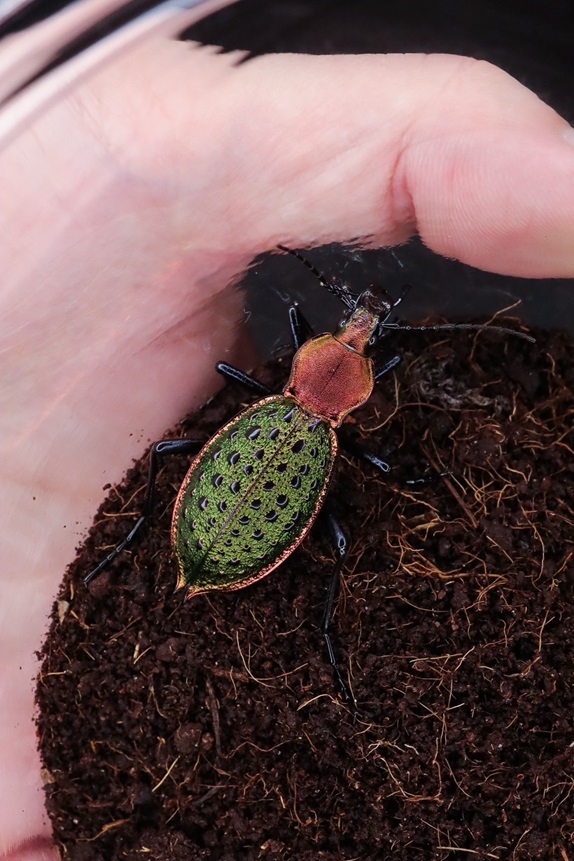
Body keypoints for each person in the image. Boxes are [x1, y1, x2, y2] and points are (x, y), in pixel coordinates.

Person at [1, 35, 574, 861]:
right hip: (234, 521)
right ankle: (170, 555)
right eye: (353, 335)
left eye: (359, 339)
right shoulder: (330, 417)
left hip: (242, 495)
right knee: (322, 532)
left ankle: (139, 544)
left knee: (178, 459)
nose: (358, 333)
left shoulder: (271, 388)